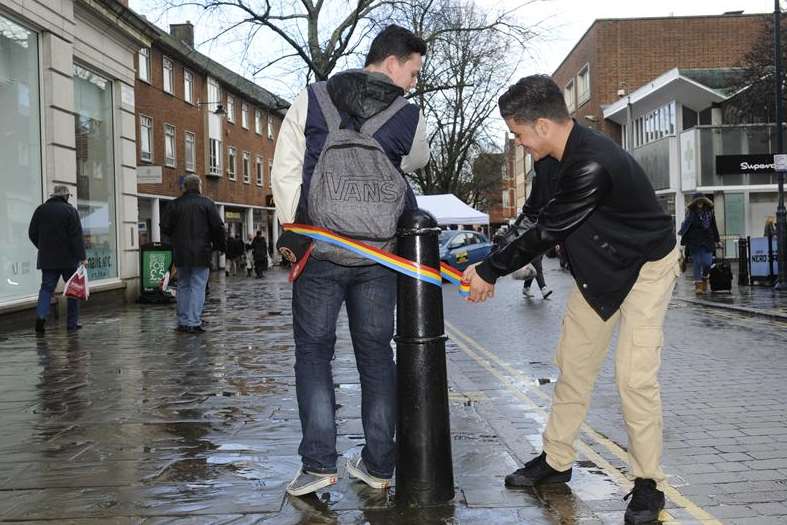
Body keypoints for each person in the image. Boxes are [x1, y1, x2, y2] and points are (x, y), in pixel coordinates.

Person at [462, 75, 680, 525]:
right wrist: (486, 256)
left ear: (541, 125)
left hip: (645, 268)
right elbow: (532, 217)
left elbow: (548, 231)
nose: (519, 143)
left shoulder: (591, 163)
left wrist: (490, 271)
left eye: (518, 134)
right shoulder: (548, 161)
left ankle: (648, 483)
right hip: (598, 271)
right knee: (574, 367)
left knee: (633, 377)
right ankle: (556, 461)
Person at [272, 24, 429, 497]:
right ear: (392, 62)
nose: (414, 83)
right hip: (378, 255)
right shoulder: (408, 113)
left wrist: (293, 232)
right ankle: (379, 465)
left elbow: (285, 167)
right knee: (377, 357)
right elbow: (416, 162)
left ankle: (318, 464)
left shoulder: (312, 98)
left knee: (314, 356)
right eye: (414, 71)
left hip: (320, 249)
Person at [161, 175, 225, 334]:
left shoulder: (175, 204)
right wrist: (219, 246)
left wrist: (174, 241)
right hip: (201, 253)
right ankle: (193, 322)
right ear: (199, 186)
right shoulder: (207, 204)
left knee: (183, 285)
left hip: (181, 252)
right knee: (198, 286)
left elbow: (165, 227)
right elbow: (218, 227)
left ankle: (183, 321)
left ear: (184, 187)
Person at [28, 185, 87, 333]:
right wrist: (82, 257)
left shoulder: (40, 210)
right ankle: (72, 324)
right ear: (66, 196)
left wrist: (43, 248)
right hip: (69, 259)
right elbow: (76, 237)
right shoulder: (70, 211)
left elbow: (32, 233)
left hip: (47, 259)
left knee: (46, 289)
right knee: (73, 290)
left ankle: (41, 318)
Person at [519, 157, 561, 299]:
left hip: (540, 241)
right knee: (537, 265)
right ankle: (544, 289)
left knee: (535, 266)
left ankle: (526, 288)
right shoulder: (532, 211)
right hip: (532, 242)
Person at [678, 193, 720, 295]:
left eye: (701, 201)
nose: (699, 203)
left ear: (704, 202)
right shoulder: (691, 213)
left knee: (707, 263)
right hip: (694, 241)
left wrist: (717, 240)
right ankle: (698, 286)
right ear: (695, 203)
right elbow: (686, 228)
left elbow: (714, 226)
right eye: (697, 201)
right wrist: (682, 243)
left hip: (708, 241)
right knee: (697, 263)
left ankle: (705, 277)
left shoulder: (710, 212)